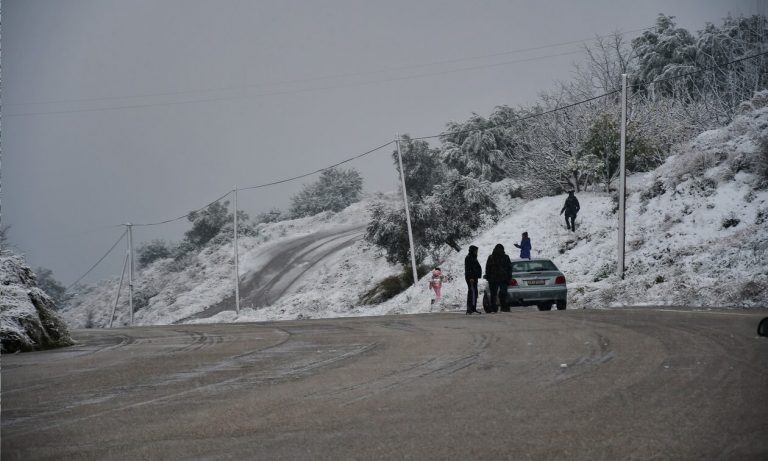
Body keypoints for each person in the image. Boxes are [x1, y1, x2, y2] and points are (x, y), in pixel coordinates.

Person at [484, 244, 512, 313]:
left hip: (494, 278)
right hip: (503, 278)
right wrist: (509, 277)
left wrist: (488, 276)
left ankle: (494, 308)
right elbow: (509, 268)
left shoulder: (491, 257)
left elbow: (487, 268)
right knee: (502, 293)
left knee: (494, 294)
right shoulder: (505, 257)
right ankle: (503, 307)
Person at [464, 245, 482, 315]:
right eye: (476, 250)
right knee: (471, 292)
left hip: (474, 278)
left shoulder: (474, 258)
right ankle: (469, 309)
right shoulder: (468, 258)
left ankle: (473, 308)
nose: (477, 252)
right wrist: (471, 277)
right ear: (473, 251)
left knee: (475, 293)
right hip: (470, 278)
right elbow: (468, 269)